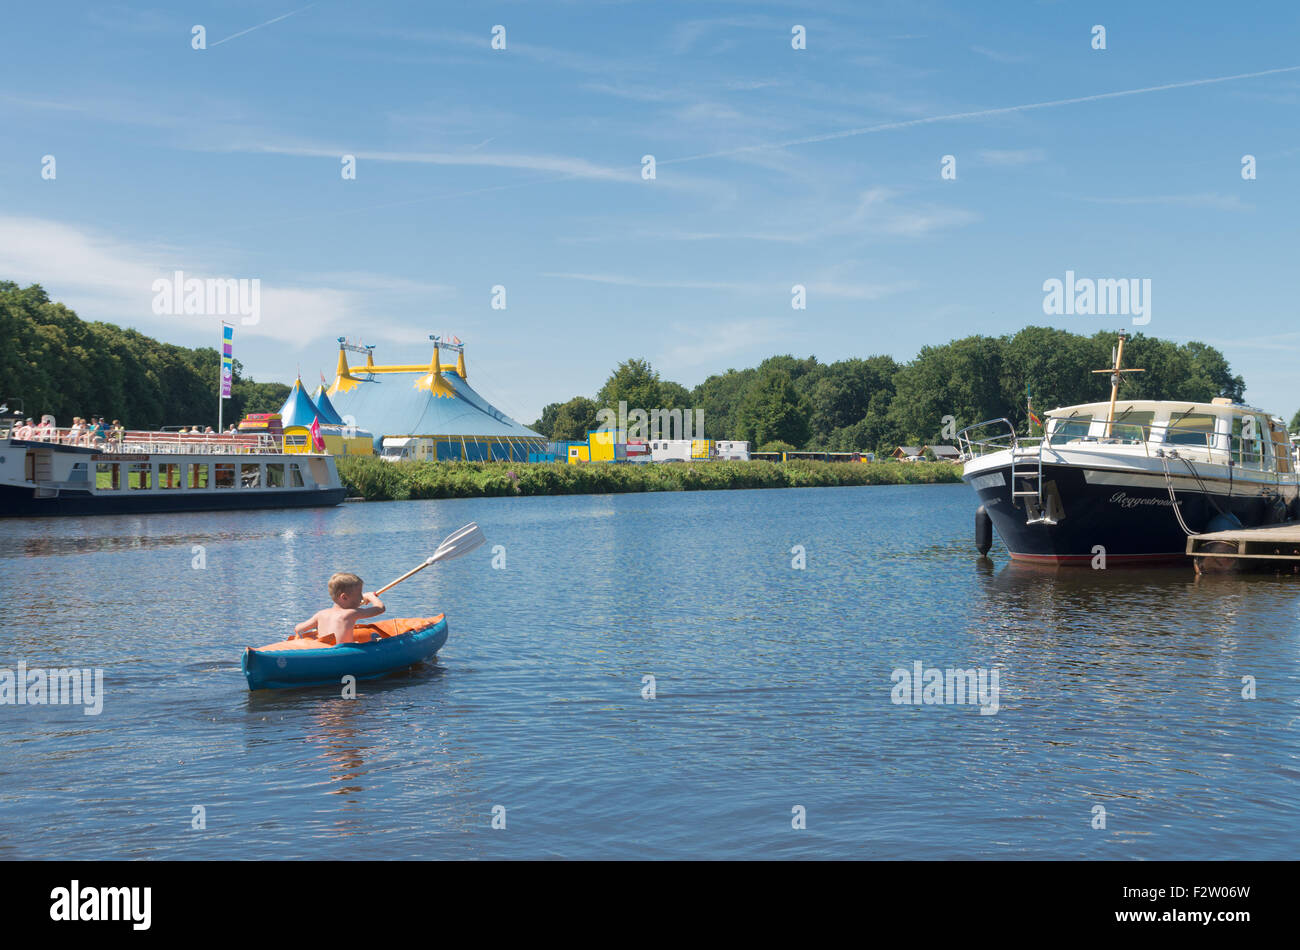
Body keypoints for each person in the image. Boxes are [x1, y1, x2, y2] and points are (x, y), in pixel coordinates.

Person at [292, 573, 385, 644]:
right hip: (342, 654)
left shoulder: (321, 614)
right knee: (374, 637)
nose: (361, 598)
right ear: (344, 597)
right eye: (359, 594)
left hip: (325, 650)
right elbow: (380, 608)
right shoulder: (351, 613)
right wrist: (371, 596)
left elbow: (298, 629)